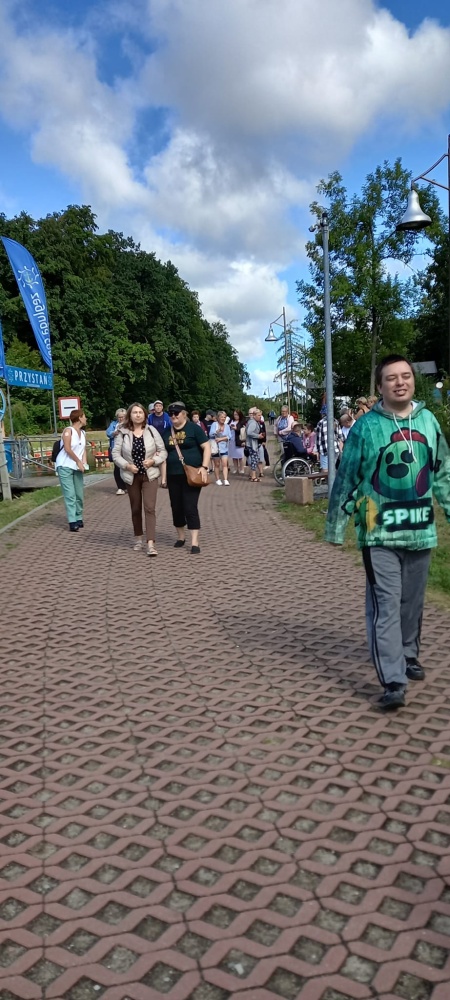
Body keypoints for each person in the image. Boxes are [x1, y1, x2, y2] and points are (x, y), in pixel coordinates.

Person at [325, 354, 450, 711]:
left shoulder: (428, 421)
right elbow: (347, 477)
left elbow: (442, 471)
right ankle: (394, 680)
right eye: (391, 377)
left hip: (420, 530)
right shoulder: (365, 428)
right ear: (380, 386)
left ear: (412, 380)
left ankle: (408, 654)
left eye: (405, 376)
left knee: (412, 603)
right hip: (378, 533)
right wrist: (336, 526)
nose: (400, 382)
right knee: (386, 606)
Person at [113, 402, 167, 556]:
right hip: (131, 476)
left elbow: (163, 451)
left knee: (149, 508)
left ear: (145, 415)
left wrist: (153, 461)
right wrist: (127, 466)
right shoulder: (123, 433)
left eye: (140, 412)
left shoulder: (151, 431)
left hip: (149, 475)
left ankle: (150, 543)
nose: (138, 415)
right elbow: (115, 454)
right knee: (136, 508)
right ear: (130, 415)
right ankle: (138, 538)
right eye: (135, 412)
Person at [163, 401, 211, 553]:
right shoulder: (166, 432)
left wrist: (204, 467)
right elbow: (162, 454)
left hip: (192, 474)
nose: (173, 416)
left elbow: (207, 447)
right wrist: (163, 477)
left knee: (190, 506)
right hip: (173, 474)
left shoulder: (194, 429)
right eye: (170, 414)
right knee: (176, 506)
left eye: (176, 413)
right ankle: (181, 537)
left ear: (184, 414)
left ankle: (195, 542)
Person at [55, 409, 88, 532]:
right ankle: (72, 521)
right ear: (79, 418)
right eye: (84, 416)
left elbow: (83, 449)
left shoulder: (83, 433)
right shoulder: (68, 431)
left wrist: (84, 462)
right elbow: (67, 449)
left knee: (79, 494)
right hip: (65, 465)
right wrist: (78, 461)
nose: (86, 419)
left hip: (77, 467)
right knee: (70, 495)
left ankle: (79, 517)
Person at [148, 400, 171, 489]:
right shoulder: (150, 417)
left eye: (160, 406)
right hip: (154, 440)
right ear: (154, 408)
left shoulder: (167, 416)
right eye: (156, 406)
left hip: (165, 439)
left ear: (162, 407)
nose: (158, 407)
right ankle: (151, 479)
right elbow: (148, 428)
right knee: (154, 459)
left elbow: (171, 427)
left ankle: (163, 481)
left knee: (164, 459)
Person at [106, 408, 127, 494]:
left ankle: (127, 485)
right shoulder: (114, 424)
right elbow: (108, 433)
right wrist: (114, 433)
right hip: (116, 448)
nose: (121, 419)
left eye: (123, 417)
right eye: (119, 417)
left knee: (127, 467)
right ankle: (120, 487)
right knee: (117, 468)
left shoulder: (128, 424)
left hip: (126, 449)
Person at [210, 410, 232, 485]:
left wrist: (221, 439)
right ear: (218, 417)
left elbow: (229, 436)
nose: (223, 418)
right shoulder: (214, 424)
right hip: (216, 448)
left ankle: (225, 479)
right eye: (221, 417)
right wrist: (217, 431)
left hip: (224, 447)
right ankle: (217, 479)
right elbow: (210, 434)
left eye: (224, 417)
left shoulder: (227, 426)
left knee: (225, 464)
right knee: (217, 464)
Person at [245, 409, 261, 483]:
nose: (260, 416)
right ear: (254, 415)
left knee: (254, 459)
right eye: (258, 415)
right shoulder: (253, 423)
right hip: (252, 444)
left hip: (251, 443)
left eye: (260, 415)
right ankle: (253, 476)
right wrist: (258, 436)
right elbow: (249, 432)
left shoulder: (251, 421)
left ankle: (252, 475)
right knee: (254, 459)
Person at [229, 409, 246, 474]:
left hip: (239, 440)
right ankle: (235, 468)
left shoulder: (242, 422)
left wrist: (236, 428)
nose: (235, 416)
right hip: (232, 440)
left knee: (240, 455)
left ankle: (242, 468)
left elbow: (243, 431)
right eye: (234, 415)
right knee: (234, 456)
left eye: (237, 415)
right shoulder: (231, 421)